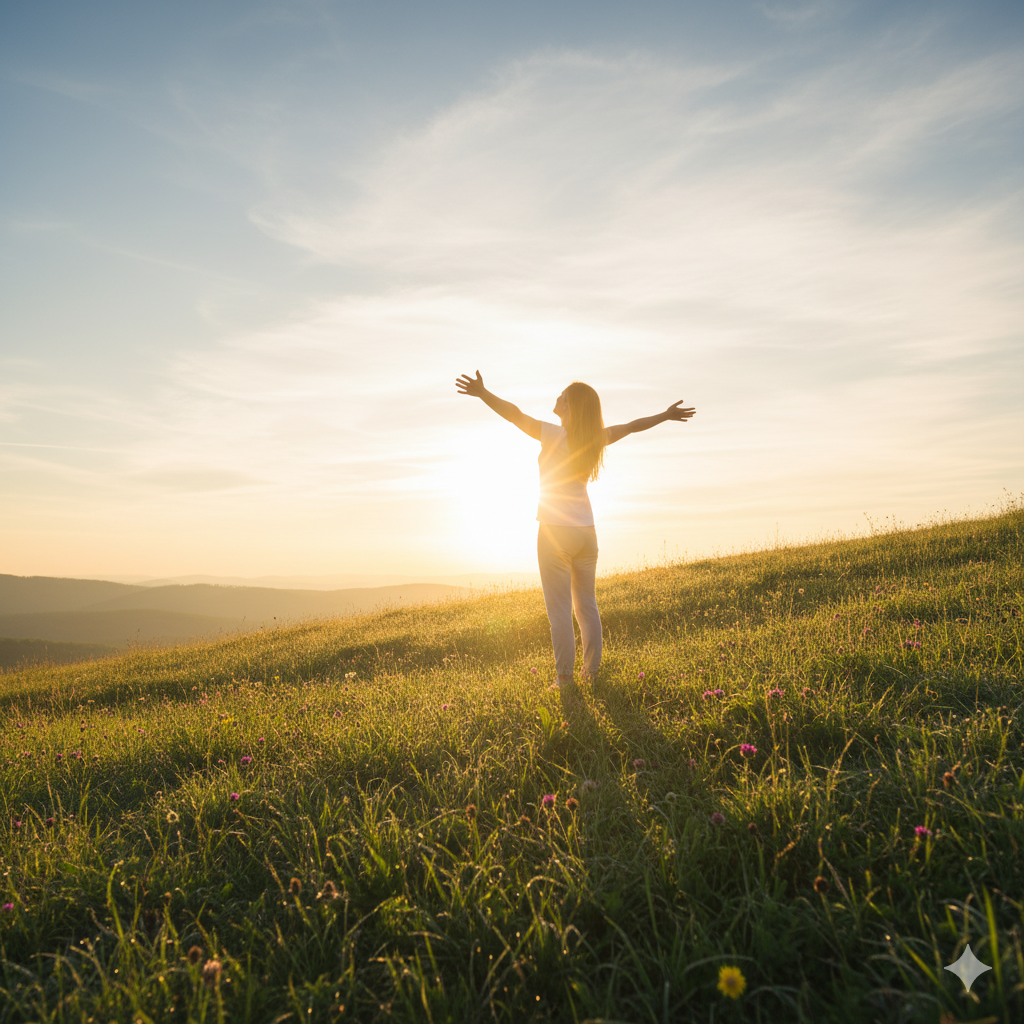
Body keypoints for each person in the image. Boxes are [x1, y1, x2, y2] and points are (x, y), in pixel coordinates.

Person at [455, 370, 695, 687]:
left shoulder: (553, 435)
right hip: (587, 532)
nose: (557, 398)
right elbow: (634, 426)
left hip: (555, 532)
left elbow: (514, 415)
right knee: (586, 606)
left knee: (559, 611)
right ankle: (591, 674)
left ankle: (565, 679)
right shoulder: (596, 439)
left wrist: (484, 394)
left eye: (562, 396)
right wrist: (665, 415)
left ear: (569, 406)